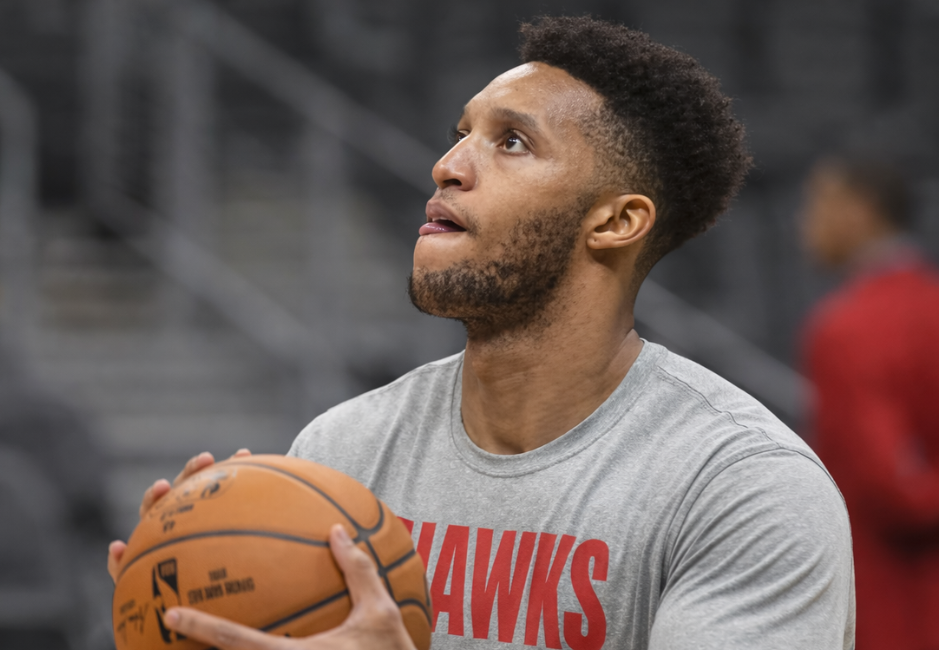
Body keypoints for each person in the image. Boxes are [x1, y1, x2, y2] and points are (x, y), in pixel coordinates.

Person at [109, 16, 856, 649]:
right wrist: (183, 606)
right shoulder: (341, 456)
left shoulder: (742, 488)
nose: (446, 166)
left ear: (617, 221)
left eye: (513, 143)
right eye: (461, 134)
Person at [800, 155, 939, 650]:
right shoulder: (929, 303)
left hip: (893, 596)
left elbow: (893, 487)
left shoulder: (848, 327)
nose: (806, 222)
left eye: (818, 202)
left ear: (860, 210)